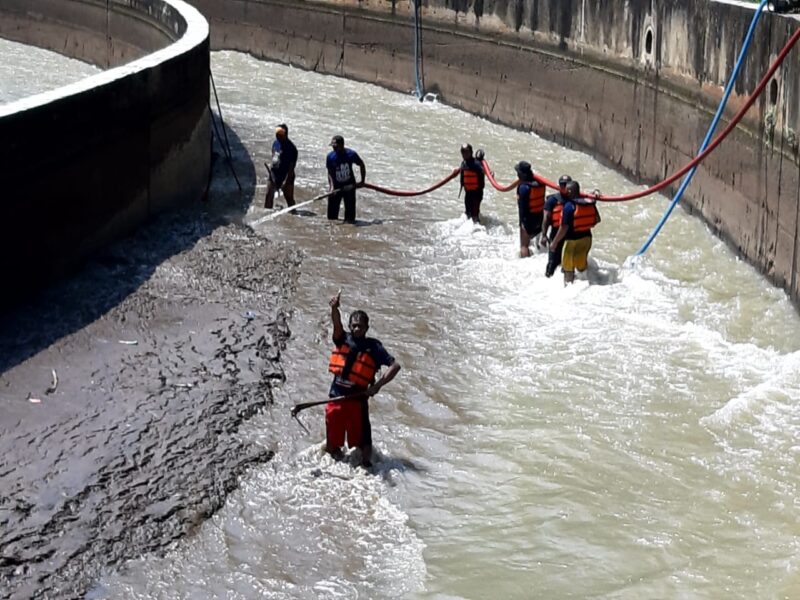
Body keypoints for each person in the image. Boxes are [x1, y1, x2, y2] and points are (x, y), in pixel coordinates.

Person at [326, 291, 401, 467]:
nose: (357, 329)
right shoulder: (342, 339)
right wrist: (334, 308)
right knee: (332, 445)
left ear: (367, 328)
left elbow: (395, 366)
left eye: (360, 326)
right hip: (336, 398)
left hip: (358, 402)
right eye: (354, 326)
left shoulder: (374, 347)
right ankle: (335, 463)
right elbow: (336, 323)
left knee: (363, 445)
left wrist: (378, 386)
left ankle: (366, 466)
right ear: (350, 327)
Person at [550, 180, 601, 285]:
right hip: (586, 239)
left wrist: (554, 243)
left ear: (568, 191)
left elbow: (563, 228)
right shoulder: (589, 203)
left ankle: (568, 291)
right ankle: (588, 285)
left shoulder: (569, 206)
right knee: (582, 267)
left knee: (568, 269)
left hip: (571, 242)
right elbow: (597, 220)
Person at [326, 135, 366, 223]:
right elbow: (329, 173)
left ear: (342, 145)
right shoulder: (330, 157)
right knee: (331, 218)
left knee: (350, 218)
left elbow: (361, 164)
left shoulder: (351, 154)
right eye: (333, 146)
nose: (334, 148)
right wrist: (331, 187)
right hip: (336, 188)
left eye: (336, 146)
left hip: (350, 187)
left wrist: (362, 181)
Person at [540, 174, 572, 277]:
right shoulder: (552, 200)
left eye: (567, 185)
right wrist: (544, 235)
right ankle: (548, 280)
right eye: (563, 185)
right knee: (552, 263)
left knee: (567, 265)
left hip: (570, 236)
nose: (565, 187)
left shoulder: (575, 198)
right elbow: (546, 219)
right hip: (556, 234)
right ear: (559, 186)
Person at [514, 161, 545, 258]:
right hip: (540, 218)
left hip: (528, 219)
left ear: (523, 174)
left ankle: (524, 265)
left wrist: (522, 224)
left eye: (518, 172)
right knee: (536, 244)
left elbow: (523, 208)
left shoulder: (523, 187)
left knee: (524, 246)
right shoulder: (540, 183)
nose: (517, 174)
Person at [264, 124, 298, 209]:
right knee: (268, 197)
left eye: (280, 135)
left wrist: (286, 182)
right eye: (276, 134)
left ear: (285, 134)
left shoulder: (292, 149)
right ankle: (266, 216)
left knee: (289, 199)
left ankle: (293, 215)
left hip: (286, 176)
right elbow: (273, 156)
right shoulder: (275, 143)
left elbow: (291, 168)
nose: (277, 136)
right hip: (274, 174)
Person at [459, 143, 485, 223]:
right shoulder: (463, 163)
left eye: (466, 152)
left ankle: (477, 229)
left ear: (471, 152)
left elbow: (484, 171)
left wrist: (490, 173)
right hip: (468, 193)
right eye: (463, 152)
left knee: (475, 215)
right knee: (468, 213)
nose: (464, 154)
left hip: (477, 193)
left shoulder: (476, 163)